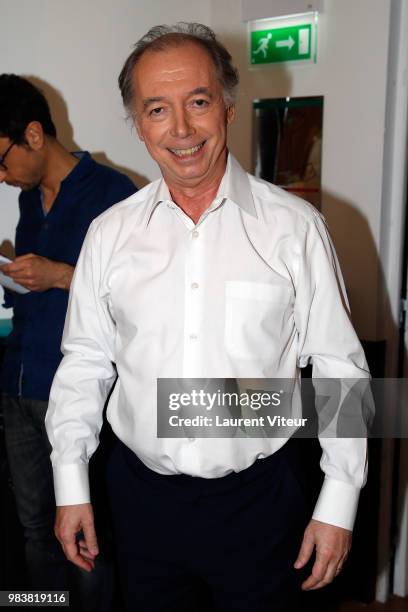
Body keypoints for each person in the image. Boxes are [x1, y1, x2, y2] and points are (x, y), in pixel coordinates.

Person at [45, 23, 369, 612]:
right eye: (157, 110)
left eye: (198, 102)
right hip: (139, 504)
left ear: (228, 107)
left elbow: (339, 367)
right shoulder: (110, 235)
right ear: (139, 125)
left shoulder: (294, 229)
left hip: (263, 504)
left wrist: (339, 499)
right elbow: (85, 364)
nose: (182, 129)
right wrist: (71, 486)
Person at [0, 75, 136, 606]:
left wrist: (59, 274)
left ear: (34, 135)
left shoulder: (115, 194)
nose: (2, 175)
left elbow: (133, 295)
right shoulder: (30, 203)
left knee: (86, 532)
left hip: (78, 393)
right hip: (20, 383)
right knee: (34, 530)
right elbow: (40, 294)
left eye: (3, 160)